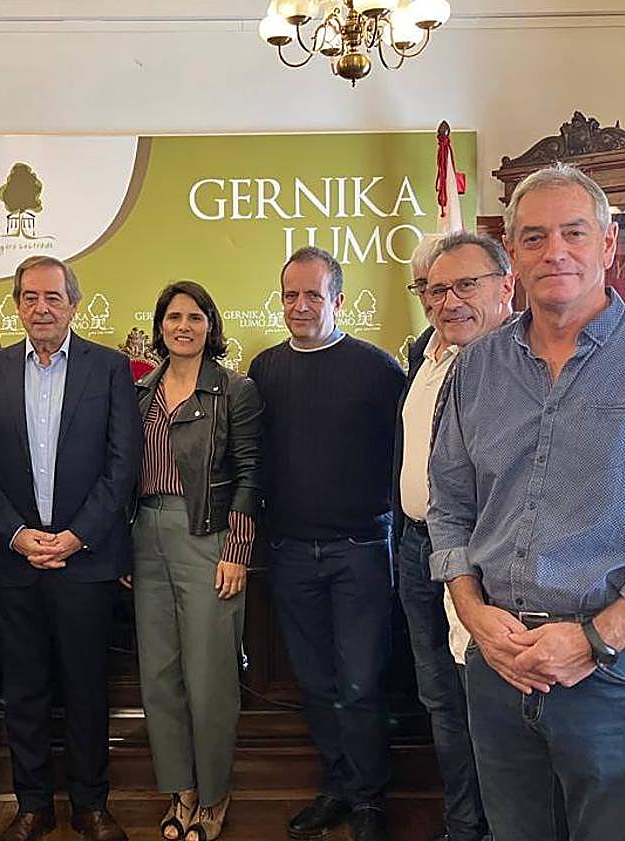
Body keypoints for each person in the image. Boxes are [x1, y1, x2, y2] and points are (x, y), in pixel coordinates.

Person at [428, 164, 625, 841]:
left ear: (607, 244)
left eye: (573, 232)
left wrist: (596, 640)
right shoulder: (476, 367)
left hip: (615, 675)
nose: (554, 251)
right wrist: (474, 614)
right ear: (513, 256)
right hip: (499, 667)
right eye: (534, 237)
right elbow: (449, 507)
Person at [0, 255, 142, 841]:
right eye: (30, 297)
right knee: (25, 689)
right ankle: (32, 805)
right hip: (12, 563)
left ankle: (92, 806)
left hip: (84, 561)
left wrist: (76, 535)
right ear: (16, 304)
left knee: (88, 688)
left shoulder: (110, 368)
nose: (41, 307)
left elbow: (123, 465)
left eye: (53, 297)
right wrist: (17, 535)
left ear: (74, 304)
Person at [247, 247, 405, 841]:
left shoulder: (377, 368)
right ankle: (336, 787)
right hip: (289, 554)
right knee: (315, 682)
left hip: (361, 549)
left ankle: (368, 798)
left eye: (313, 294)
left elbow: (405, 458)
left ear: (338, 299)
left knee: (362, 683)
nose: (300, 306)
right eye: (290, 295)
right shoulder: (264, 369)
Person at [392, 231, 515, 841]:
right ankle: (464, 825)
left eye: (467, 285)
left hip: (482, 561)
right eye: (434, 290)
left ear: (505, 286)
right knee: (440, 696)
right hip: (417, 547)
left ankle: (499, 825)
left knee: (485, 699)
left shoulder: (520, 366)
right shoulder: (427, 357)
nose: (449, 301)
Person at [129, 281, 263, 841]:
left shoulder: (236, 390)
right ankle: (179, 789)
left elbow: (251, 476)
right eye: (172, 317)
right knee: (159, 676)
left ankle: (213, 793)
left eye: (195, 316)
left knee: (209, 677)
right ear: (159, 326)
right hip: (145, 535)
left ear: (211, 324)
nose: (182, 326)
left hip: (207, 535)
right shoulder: (141, 391)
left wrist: (237, 551)